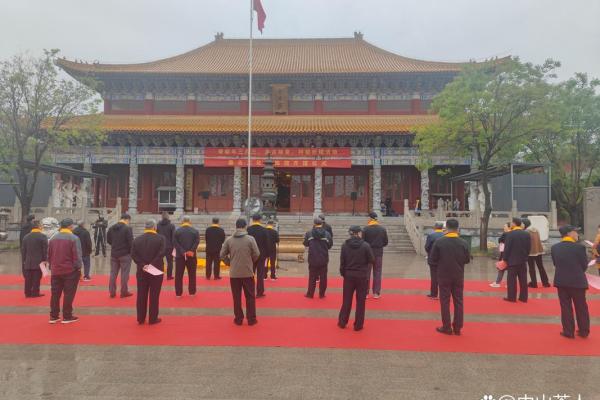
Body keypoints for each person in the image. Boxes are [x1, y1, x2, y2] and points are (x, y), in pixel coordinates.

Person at [429, 218, 471, 335]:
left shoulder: (440, 242)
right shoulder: (463, 243)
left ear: (446, 227)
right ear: (457, 228)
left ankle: (446, 327)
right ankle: (458, 327)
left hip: (443, 275)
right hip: (458, 275)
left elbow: (432, 260)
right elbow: (467, 260)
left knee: (445, 301)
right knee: (459, 301)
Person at [551, 225, 590, 339]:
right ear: (569, 233)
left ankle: (568, 331)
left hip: (561, 281)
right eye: (575, 232)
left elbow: (555, 264)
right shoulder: (580, 248)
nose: (577, 234)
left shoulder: (555, 248)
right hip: (577, 281)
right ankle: (584, 331)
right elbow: (584, 265)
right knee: (581, 306)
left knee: (565, 307)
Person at [220, 218, 260, 326]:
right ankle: (251, 319)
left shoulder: (229, 240)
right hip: (247, 272)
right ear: (245, 226)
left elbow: (222, 255)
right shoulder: (250, 239)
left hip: (234, 274)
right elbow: (257, 253)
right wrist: (250, 261)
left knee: (236, 297)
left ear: (236, 226)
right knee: (250, 296)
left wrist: (230, 263)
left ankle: (238, 318)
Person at [338, 225, 374, 331]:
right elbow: (372, 259)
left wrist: (344, 273)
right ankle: (358, 325)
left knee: (346, 300)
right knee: (360, 301)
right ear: (358, 233)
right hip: (362, 276)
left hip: (349, 275)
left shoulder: (345, 245)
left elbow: (342, 263)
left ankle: (342, 322)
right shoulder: (366, 246)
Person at [48, 218, 82, 324]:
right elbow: (76, 256)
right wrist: (78, 268)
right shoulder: (74, 238)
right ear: (69, 226)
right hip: (70, 270)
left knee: (55, 294)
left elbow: (49, 254)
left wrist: (51, 266)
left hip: (55, 270)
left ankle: (54, 316)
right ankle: (67, 316)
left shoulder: (53, 239)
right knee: (68, 293)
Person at [131, 219, 166, 325]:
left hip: (142, 270)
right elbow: (161, 253)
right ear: (155, 227)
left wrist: (143, 265)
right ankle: (152, 318)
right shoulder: (161, 239)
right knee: (154, 295)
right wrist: (151, 265)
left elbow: (133, 255)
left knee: (141, 294)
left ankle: (140, 318)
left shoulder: (137, 240)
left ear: (145, 227)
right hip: (156, 270)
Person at [501, 217, 531, 303]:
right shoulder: (526, 234)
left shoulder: (510, 234)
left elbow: (507, 248)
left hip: (512, 261)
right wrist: (526, 257)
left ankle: (512, 297)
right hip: (523, 260)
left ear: (514, 223)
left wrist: (505, 259)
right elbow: (528, 248)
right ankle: (523, 297)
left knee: (511, 280)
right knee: (523, 280)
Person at [303, 217, 333, 298]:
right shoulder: (327, 234)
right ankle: (322, 294)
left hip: (312, 258)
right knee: (323, 277)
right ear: (322, 223)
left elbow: (305, 243)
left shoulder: (309, 233)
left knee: (312, 277)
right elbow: (330, 245)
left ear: (314, 224)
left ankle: (310, 294)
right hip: (323, 258)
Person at [107, 213, 134, 298]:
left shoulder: (111, 228)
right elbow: (131, 243)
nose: (129, 222)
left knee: (113, 273)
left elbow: (109, 240)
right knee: (124, 274)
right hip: (125, 254)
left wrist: (115, 245)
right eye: (129, 221)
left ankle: (112, 292)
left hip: (114, 254)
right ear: (127, 219)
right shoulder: (127, 229)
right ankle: (124, 292)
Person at [362, 212, 388, 299]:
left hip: (367, 254)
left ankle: (365, 293)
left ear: (370, 218)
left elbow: (363, 242)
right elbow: (385, 242)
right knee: (377, 273)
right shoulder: (382, 229)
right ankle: (376, 293)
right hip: (378, 253)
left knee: (366, 273)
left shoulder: (365, 229)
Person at [173, 216, 200, 297]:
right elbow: (197, 241)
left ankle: (178, 293)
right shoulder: (195, 231)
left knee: (178, 275)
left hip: (180, 256)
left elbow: (175, 242)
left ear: (182, 221)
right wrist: (191, 251)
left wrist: (182, 251)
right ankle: (192, 292)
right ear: (190, 221)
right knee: (192, 275)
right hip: (191, 256)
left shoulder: (177, 231)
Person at [20, 220, 48, 298]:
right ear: (39, 226)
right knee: (36, 278)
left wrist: (24, 261)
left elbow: (23, 250)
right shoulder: (42, 236)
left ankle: (27, 293)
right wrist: (46, 260)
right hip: (39, 262)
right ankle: (35, 292)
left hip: (28, 261)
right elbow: (45, 250)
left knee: (28, 278)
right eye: (41, 225)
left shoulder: (26, 236)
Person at [523, 218, 550, 288]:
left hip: (531, 252)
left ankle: (534, 283)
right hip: (539, 250)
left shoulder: (526, 232)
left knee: (531, 268)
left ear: (524, 224)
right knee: (541, 267)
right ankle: (546, 282)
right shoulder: (536, 230)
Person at [247, 214, 269, 297]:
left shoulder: (248, 229)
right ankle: (260, 292)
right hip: (261, 255)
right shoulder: (264, 230)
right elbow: (267, 243)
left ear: (252, 220)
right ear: (260, 220)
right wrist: (267, 255)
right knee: (260, 274)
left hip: (251, 255)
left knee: (250, 274)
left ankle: (250, 291)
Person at [424, 222, 445, 299]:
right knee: (444, 277)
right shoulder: (445, 235)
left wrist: (430, 253)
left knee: (434, 277)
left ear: (435, 227)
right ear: (442, 227)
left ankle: (434, 294)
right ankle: (443, 294)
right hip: (444, 260)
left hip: (433, 259)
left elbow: (427, 247)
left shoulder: (431, 236)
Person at [490, 223, 511, 288]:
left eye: (505, 226)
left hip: (504, 254)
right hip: (511, 254)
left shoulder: (505, 234)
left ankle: (497, 283)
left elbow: (500, 240)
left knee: (501, 268)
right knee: (509, 270)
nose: (504, 227)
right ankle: (509, 284)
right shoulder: (513, 234)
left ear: (509, 227)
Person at [156, 212, 176, 280]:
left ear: (162, 217)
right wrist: (174, 247)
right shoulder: (171, 225)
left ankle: (159, 275)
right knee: (170, 262)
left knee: (159, 261)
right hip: (169, 246)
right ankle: (169, 276)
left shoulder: (158, 225)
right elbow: (173, 237)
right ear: (168, 217)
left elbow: (156, 236)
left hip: (160, 246)